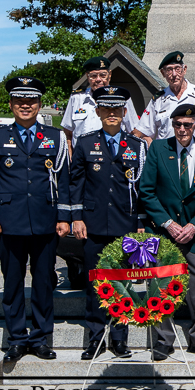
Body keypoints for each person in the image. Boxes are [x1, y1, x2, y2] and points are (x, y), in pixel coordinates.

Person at [0, 75, 71, 364]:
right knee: (13, 282)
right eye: (20, 101)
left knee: (43, 282)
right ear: (11, 104)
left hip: (45, 221)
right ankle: (16, 338)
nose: (25, 105)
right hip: (9, 221)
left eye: (30, 100)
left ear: (39, 104)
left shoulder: (55, 137)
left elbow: (64, 181)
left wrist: (64, 216)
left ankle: (41, 337)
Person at [69, 86, 147, 361]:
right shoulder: (86, 143)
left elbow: (142, 188)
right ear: (98, 112)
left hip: (124, 224)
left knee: (123, 283)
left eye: (117, 109)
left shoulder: (137, 146)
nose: (112, 113)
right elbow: (75, 183)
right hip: (93, 225)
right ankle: (95, 338)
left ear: (124, 113)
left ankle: (119, 338)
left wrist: (140, 222)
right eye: (107, 109)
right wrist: (76, 218)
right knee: (95, 284)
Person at [139, 103, 195, 361]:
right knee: (162, 284)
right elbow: (147, 191)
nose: (182, 129)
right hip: (165, 232)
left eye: (187, 124)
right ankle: (163, 340)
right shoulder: (158, 150)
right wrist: (167, 223)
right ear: (171, 125)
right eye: (177, 124)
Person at [61, 56, 139, 153]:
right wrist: (70, 157)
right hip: (82, 159)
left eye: (103, 75)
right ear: (87, 76)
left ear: (109, 75)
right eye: (93, 76)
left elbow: (134, 131)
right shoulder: (76, 98)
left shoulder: (123, 98)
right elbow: (68, 132)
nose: (98, 79)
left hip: (112, 157)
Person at [133, 51, 195, 144]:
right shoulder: (158, 101)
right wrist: (154, 149)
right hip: (166, 154)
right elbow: (143, 132)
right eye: (169, 70)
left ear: (184, 70)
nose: (174, 74)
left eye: (177, 69)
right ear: (163, 73)